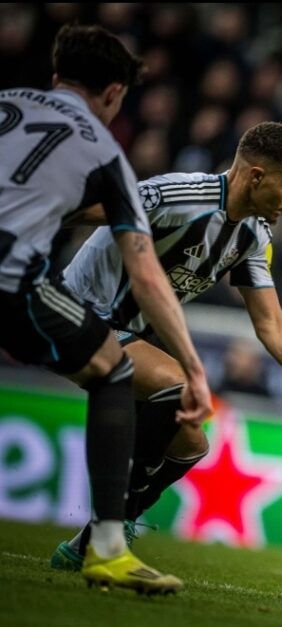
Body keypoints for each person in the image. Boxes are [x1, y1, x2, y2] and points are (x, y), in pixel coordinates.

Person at [48, 120, 282, 571]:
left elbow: (271, 323)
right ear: (256, 176)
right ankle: (111, 525)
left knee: (190, 443)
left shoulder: (253, 236)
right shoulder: (177, 195)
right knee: (180, 386)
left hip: (126, 336)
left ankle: (89, 541)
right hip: (73, 313)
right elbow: (86, 208)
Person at [0, 24, 212, 593]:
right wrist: (192, 366)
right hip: (9, 277)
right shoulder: (102, 151)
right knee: (113, 369)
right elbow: (145, 272)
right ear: (115, 93)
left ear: (56, 76)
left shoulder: (7, 103)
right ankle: (108, 548)